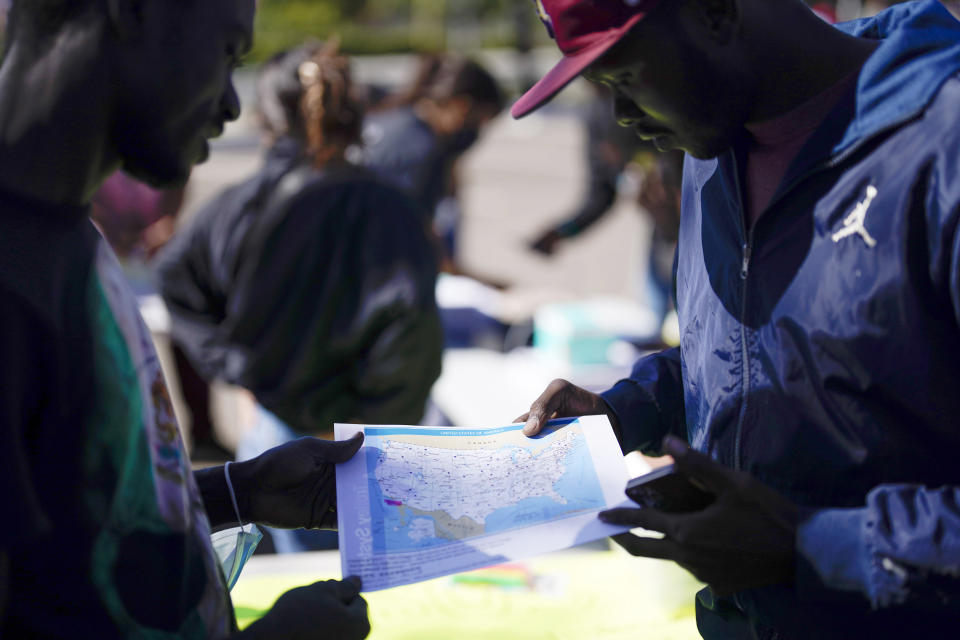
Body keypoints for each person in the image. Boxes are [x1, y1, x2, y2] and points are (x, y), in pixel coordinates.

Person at [514, 0, 960, 637]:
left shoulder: (941, 143)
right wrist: (630, 411)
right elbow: (757, 341)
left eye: (624, 78)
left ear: (717, 15)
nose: (621, 118)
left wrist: (809, 546)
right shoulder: (710, 142)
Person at [0, 1, 369, 637]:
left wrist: (238, 491)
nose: (230, 105)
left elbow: (71, 528)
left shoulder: (67, 231)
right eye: (225, 54)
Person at [156, 42, 443, 552]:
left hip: (271, 437)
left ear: (264, 117)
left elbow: (177, 278)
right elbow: (409, 334)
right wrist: (374, 426)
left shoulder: (236, 204)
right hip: (354, 449)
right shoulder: (389, 209)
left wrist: (237, 368)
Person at [528, 84, 683, 329]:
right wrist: (564, 232)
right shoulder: (597, 116)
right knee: (658, 327)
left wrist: (683, 217)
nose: (623, 111)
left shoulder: (663, 99)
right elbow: (601, 195)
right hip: (663, 240)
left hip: (696, 237)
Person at [361, 54, 504, 268]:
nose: (477, 132)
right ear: (461, 106)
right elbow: (407, 235)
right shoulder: (421, 151)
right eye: (482, 120)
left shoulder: (394, 120)